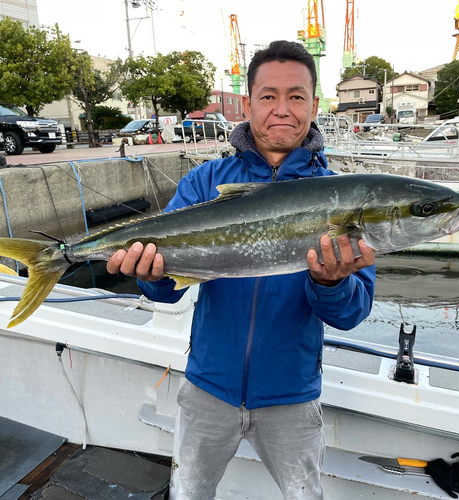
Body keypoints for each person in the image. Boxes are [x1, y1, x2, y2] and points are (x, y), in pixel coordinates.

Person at [107, 40, 376, 500]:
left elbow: (352, 313)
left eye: (296, 96)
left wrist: (329, 282)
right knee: (188, 494)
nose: (282, 109)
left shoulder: (341, 195)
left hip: (291, 397)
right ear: (248, 103)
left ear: (315, 105)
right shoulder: (205, 183)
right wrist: (150, 277)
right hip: (208, 388)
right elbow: (168, 290)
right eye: (268, 96)